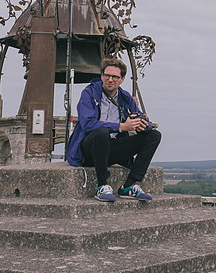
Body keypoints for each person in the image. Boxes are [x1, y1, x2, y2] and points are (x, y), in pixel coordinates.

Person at [66, 58, 161, 202]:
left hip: (111, 148)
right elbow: (88, 124)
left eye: (115, 77)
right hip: (89, 150)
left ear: (122, 79)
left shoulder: (124, 97)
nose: (110, 80)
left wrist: (142, 125)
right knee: (103, 132)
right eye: (106, 75)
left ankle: (129, 186)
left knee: (154, 135)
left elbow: (141, 117)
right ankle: (102, 186)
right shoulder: (89, 93)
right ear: (102, 76)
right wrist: (122, 127)